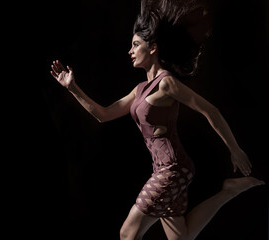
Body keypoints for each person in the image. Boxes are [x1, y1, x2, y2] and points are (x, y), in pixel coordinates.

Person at [49, 2, 265, 239]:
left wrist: (234, 149)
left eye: (135, 45)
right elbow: (103, 115)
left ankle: (227, 190)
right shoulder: (140, 89)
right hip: (164, 169)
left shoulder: (166, 83)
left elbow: (210, 111)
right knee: (182, 237)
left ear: (152, 48)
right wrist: (72, 88)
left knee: (127, 233)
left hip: (172, 170)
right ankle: (228, 191)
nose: (130, 51)